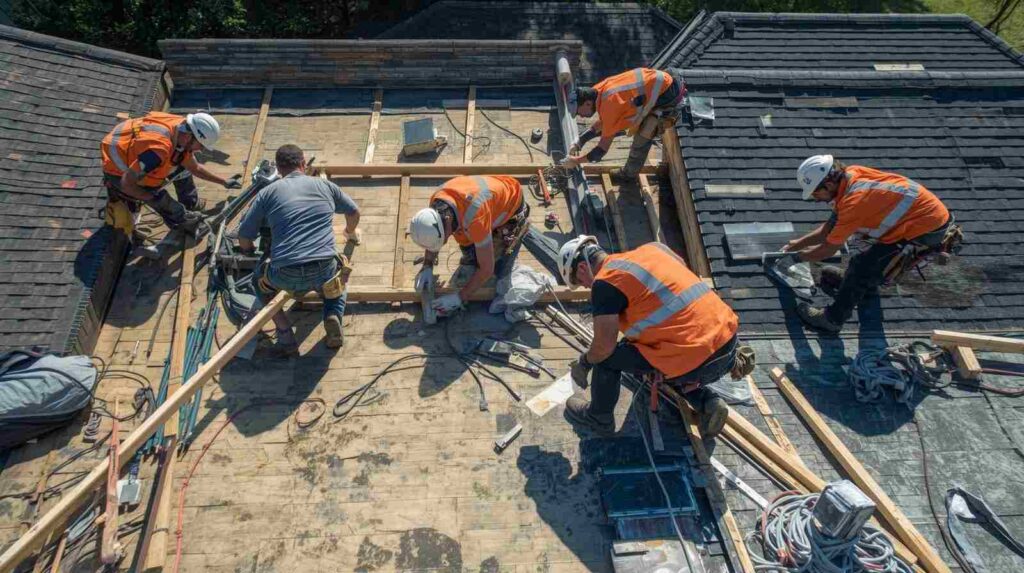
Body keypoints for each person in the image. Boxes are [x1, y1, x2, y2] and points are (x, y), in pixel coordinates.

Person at [558, 237, 738, 438]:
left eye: (581, 282)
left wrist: (584, 362)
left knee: (607, 359)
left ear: (583, 267)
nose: (587, 287)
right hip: (728, 344)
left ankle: (599, 418)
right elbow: (681, 269)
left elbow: (603, 347)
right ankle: (706, 401)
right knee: (649, 354)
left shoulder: (605, 282)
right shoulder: (654, 248)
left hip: (695, 361)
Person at [782, 155, 952, 333]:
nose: (816, 199)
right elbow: (828, 230)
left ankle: (832, 319)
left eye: (816, 193)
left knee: (861, 266)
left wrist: (796, 258)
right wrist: (797, 244)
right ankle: (856, 284)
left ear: (829, 184)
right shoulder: (850, 177)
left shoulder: (854, 202)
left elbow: (829, 248)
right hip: (920, 216)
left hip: (925, 229)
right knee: (865, 264)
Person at [237, 144, 361, 354]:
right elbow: (353, 211)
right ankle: (332, 315)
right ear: (303, 164)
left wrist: (249, 253)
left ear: (278, 167)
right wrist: (349, 231)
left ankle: (285, 335)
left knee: (258, 282)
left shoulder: (267, 193)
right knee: (338, 282)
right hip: (323, 269)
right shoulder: (325, 186)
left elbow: (244, 236)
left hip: (284, 274)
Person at [100, 111, 241, 234]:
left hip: (132, 149)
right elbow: (127, 184)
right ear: (189, 137)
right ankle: (183, 223)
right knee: (160, 199)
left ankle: (189, 204)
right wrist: (152, 198)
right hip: (118, 168)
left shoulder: (181, 128)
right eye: (201, 145)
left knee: (182, 167)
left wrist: (223, 181)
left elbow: (194, 168)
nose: (200, 150)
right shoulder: (157, 151)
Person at [408, 175, 530, 316]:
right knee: (470, 251)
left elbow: (486, 270)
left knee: (495, 266)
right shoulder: (437, 202)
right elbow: (435, 235)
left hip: (510, 208)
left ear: (447, 219)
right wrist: (427, 265)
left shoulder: (476, 217)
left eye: (444, 238)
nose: (446, 241)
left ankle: (513, 233)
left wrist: (459, 297)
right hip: (488, 202)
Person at [564, 68, 685, 179]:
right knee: (628, 122)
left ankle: (628, 175)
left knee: (644, 134)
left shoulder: (610, 106)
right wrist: (579, 142)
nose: (580, 116)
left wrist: (576, 161)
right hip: (662, 82)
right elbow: (603, 123)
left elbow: (601, 150)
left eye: (578, 112)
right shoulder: (597, 90)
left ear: (587, 103)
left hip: (670, 97)